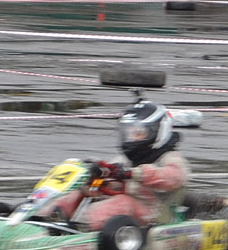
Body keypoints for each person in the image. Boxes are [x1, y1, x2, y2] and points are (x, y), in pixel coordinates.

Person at [69, 99, 191, 233]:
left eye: (138, 133)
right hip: (127, 215)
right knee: (79, 191)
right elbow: (113, 178)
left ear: (158, 131)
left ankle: (84, 228)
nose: (131, 138)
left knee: (122, 202)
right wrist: (99, 175)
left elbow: (173, 178)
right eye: (128, 133)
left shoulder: (170, 158)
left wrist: (135, 173)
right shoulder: (126, 160)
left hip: (155, 214)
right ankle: (55, 217)